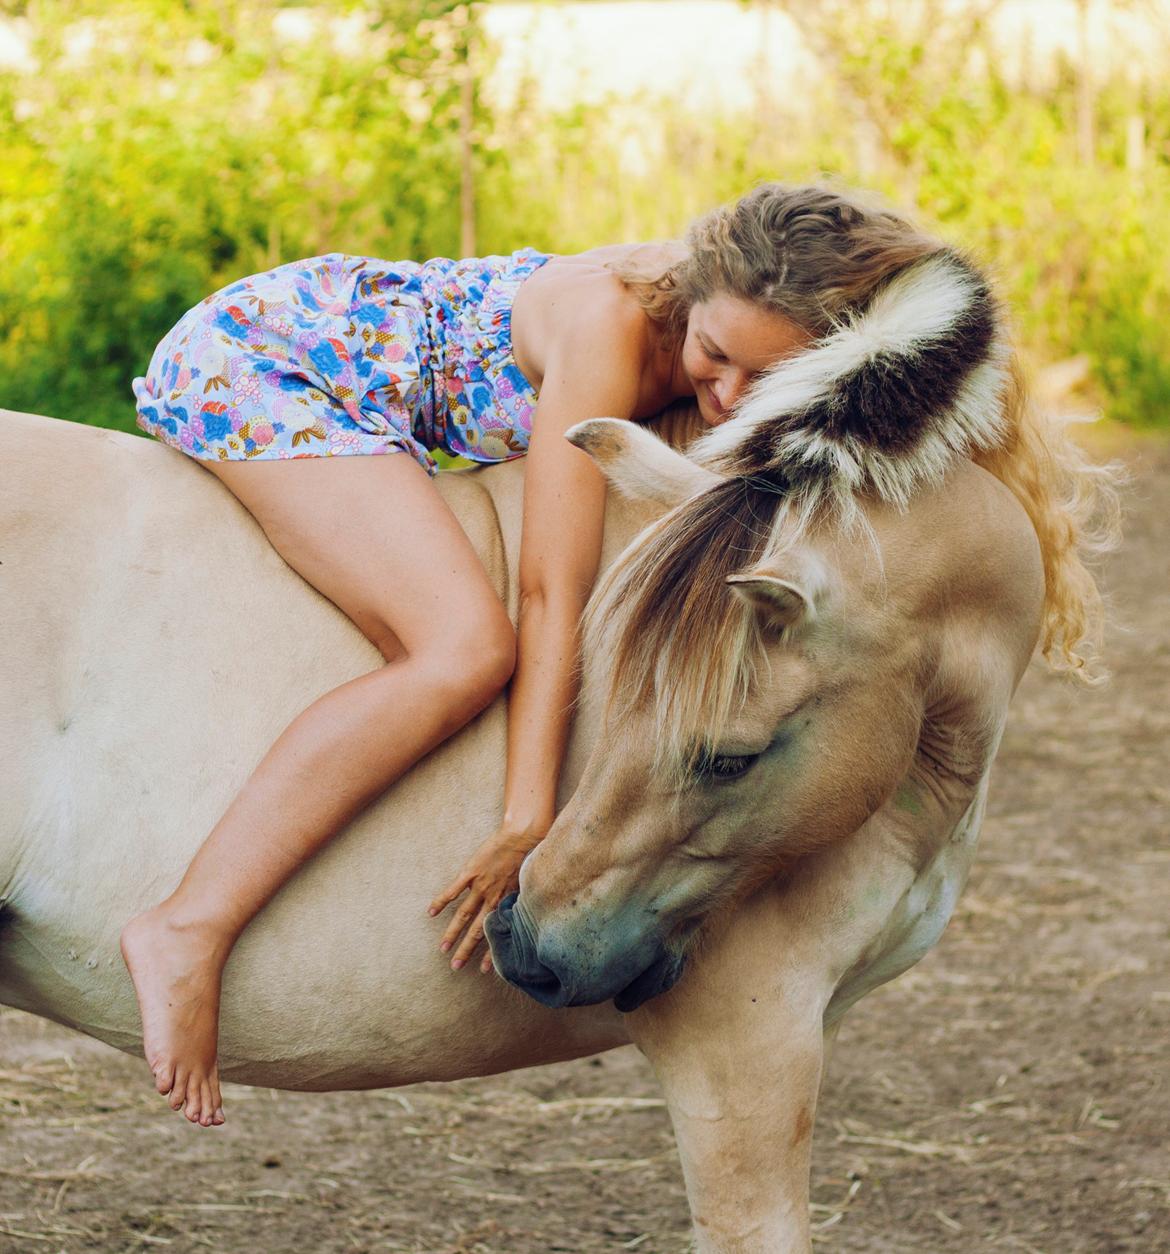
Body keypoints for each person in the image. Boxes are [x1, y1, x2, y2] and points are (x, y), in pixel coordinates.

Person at [121, 181, 949, 1128]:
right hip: (272, 362)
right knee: (461, 651)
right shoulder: (610, 331)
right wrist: (527, 817)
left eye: (764, 381)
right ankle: (189, 925)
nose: (725, 394)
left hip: (352, 382)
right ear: (700, 290)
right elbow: (550, 589)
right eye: (714, 357)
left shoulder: (745, 337)